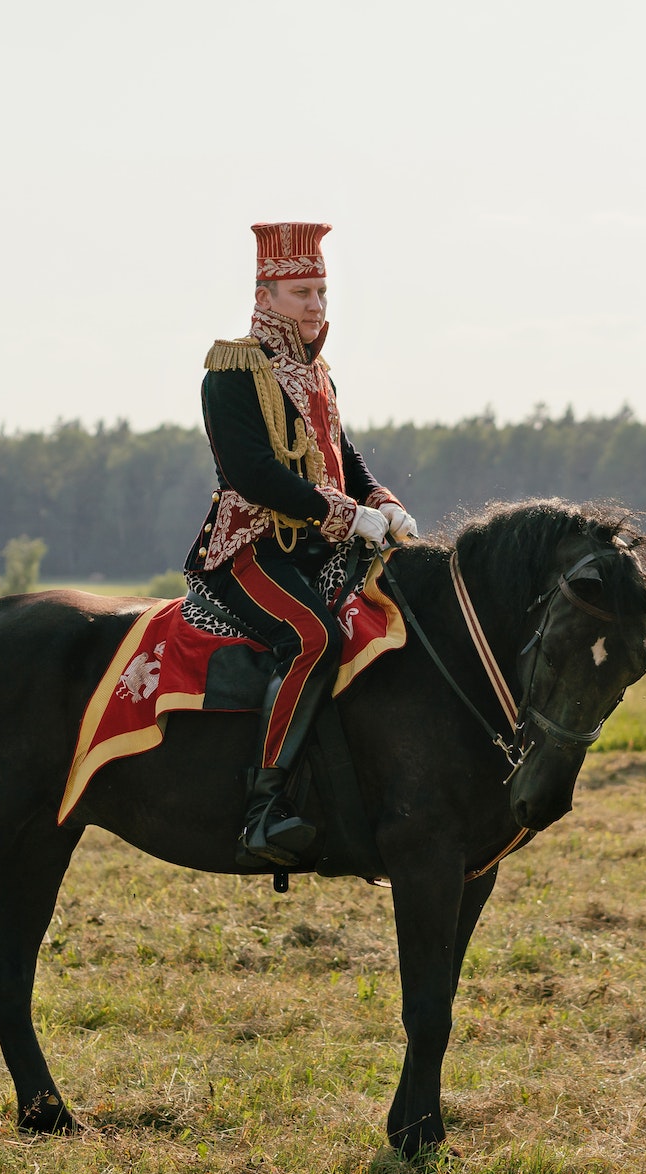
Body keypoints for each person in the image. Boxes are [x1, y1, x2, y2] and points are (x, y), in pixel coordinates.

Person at [186, 222, 417, 869]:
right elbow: (253, 474)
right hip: (254, 548)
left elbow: (346, 457)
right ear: (266, 295)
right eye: (301, 292)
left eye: (321, 291)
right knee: (313, 639)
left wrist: (383, 502)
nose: (317, 305)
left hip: (326, 549)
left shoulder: (320, 378)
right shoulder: (233, 371)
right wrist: (343, 514)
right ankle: (265, 807)